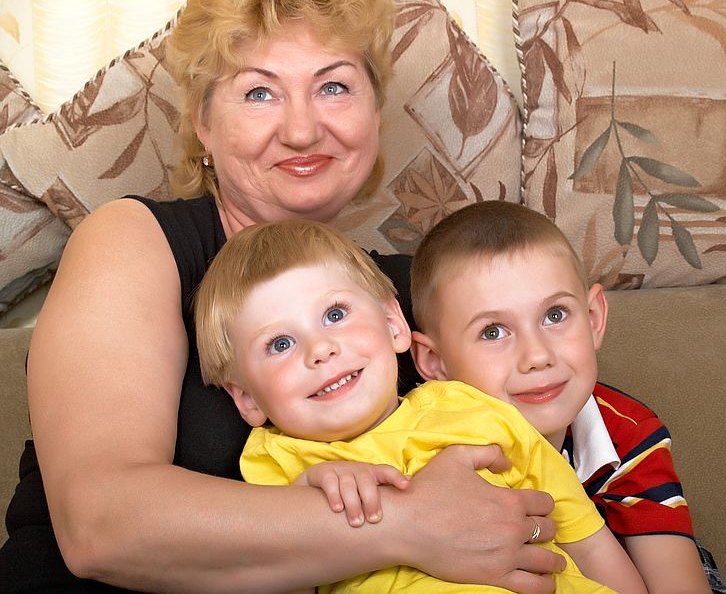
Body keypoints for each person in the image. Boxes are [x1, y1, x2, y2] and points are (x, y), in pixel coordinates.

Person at [0, 0, 567, 592]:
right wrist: (407, 525)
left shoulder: (418, 287)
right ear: (204, 124)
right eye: (259, 93)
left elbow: (563, 420)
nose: (302, 130)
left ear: (374, 114)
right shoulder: (137, 242)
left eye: (335, 88)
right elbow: (101, 526)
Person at [193, 218, 648, 594]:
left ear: (393, 324)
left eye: (335, 315)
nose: (320, 349)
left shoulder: (474, 409)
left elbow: (586, 538)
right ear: (248, 398)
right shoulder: (275, 463)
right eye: (280, 343)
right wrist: (310, 498)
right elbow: (277, 574)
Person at [409, 200, 714, 594]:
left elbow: (678, 585)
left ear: (593, 319)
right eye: (492, 332)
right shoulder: (420, 440)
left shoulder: (627, 433)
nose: (537, 356)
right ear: (435, 362)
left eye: (555, 315)